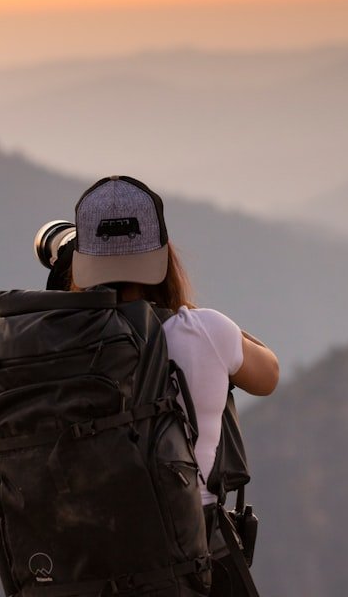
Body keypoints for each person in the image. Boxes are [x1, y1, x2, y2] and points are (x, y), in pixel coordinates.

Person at [70, 175, 279, 596]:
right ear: (163, 256)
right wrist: (192, 313)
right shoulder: (205, 331)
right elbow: (268, 373)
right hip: (189, 562)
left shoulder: (55, 342)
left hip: (85, 566)